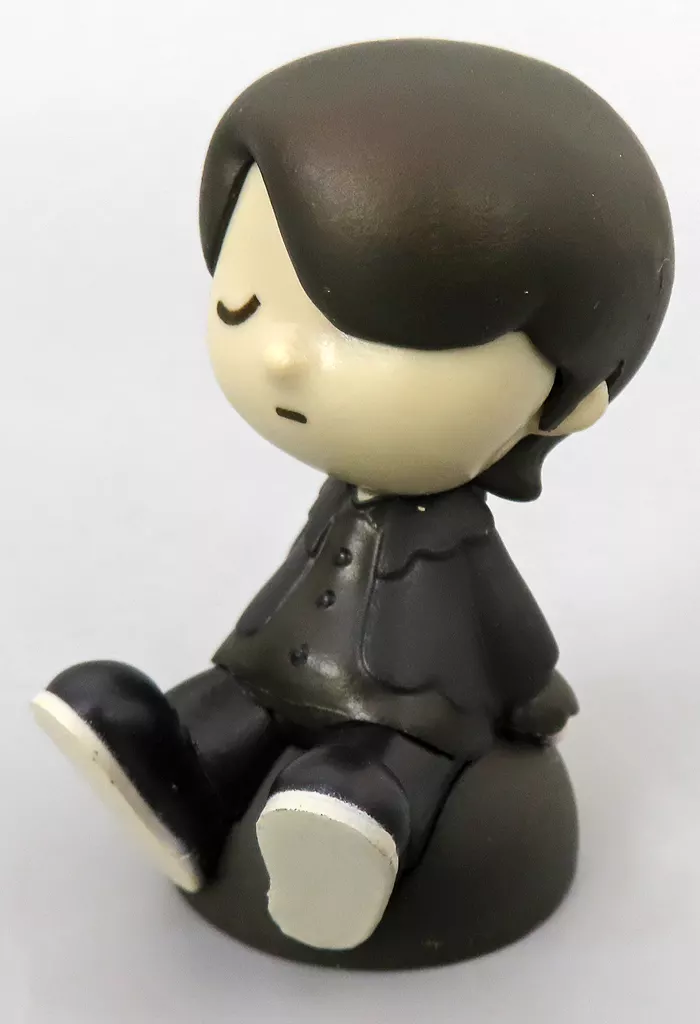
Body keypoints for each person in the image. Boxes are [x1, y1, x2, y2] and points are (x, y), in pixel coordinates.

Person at [32, 39, 673, 952]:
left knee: (378, 766)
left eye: (376, 335)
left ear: (569, 399)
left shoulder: (456, 542)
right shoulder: (335, 503)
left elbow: (500, 618)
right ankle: (171, 777)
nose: (282, 357)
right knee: (224, 704)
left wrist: (531, 689)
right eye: (243, 306)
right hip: (277, 662)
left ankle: (348, 836)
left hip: (415, 707)